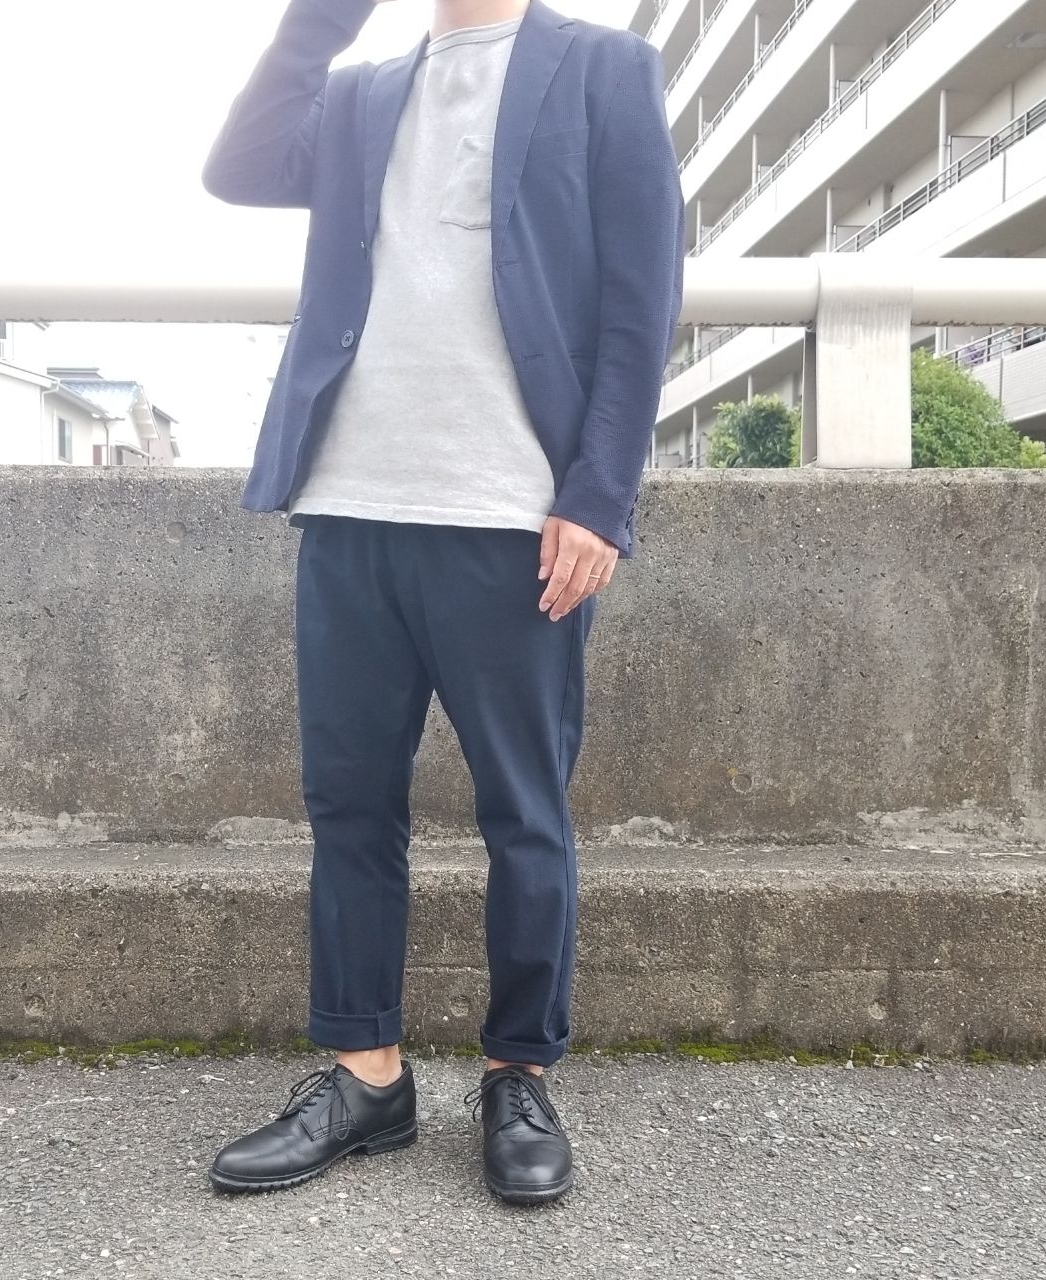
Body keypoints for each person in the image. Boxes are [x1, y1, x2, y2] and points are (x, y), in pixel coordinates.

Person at [200, 0, 683, 1204]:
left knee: (524, 810)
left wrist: (598, 496)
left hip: (511, 517)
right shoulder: (360, 91)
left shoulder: (603, 70)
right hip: (348, 501)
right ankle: (365, 1073)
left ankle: (518, 1070)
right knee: (348, 804)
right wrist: (321, 19)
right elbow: (239, 165)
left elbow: (641, 297)